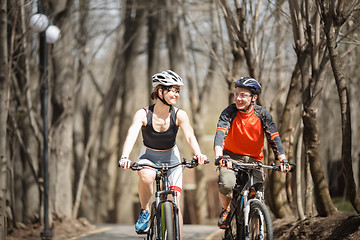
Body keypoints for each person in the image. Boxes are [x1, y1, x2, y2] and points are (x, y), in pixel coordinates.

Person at [118, 70, 207, 236]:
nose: (176, 94)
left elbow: (189, 136)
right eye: (171, 90)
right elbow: (132, 134)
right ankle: (145, 211)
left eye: (177, 91)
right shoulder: (143, 114)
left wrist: (198, 154)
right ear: (160, 91)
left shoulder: (180, 114)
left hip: (171, 156)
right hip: (148, 157)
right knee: (146, 177)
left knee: (175, 202)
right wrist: (125, 157)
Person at [213, 77, 290, 229]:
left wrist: (283, 159)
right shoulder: (229, 112)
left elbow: (274, 137)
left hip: (254, 160)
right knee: (227, 184)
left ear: (254, 97)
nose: (238, 98)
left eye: (243, 95)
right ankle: (226, 209)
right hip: (231, 158)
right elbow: (220, 134)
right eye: (236, 94)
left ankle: (256, 232)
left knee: (257, 199)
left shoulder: (263, 115)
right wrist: (219, 156)